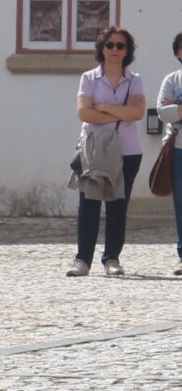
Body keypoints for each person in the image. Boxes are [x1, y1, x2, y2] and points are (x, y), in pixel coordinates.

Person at [71, 26, 146, 277]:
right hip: (94, 148)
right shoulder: (88, 78)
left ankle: (112, 259)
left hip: (127, 150)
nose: (114, 50)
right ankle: (82, 260)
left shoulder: (135, 80)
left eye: (120, 45)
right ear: (102, 49)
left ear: (127, 51)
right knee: (89, 203)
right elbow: (84, 113)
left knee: (117, 205)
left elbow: (137, 114)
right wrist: (120, 109)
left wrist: (101, 106)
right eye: (109, 45)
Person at [159, 32, 182, 275]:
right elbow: (163, 113)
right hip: (178, 151)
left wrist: (177, 108)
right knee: (181, 204)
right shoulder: (173, 80)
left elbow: (170, 110)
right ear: (178, 53)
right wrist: (174, 110)